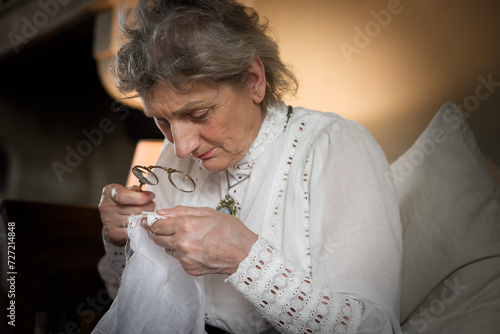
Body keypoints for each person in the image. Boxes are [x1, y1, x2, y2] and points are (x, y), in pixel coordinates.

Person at [95, 0, 402, 333]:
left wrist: (244, 257)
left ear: (254, 80)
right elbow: (134, 307)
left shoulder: (335, 146)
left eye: (198, 115)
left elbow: (377, 328)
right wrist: (119, 237)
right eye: (162, 121)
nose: (182, 146)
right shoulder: (174, 154)